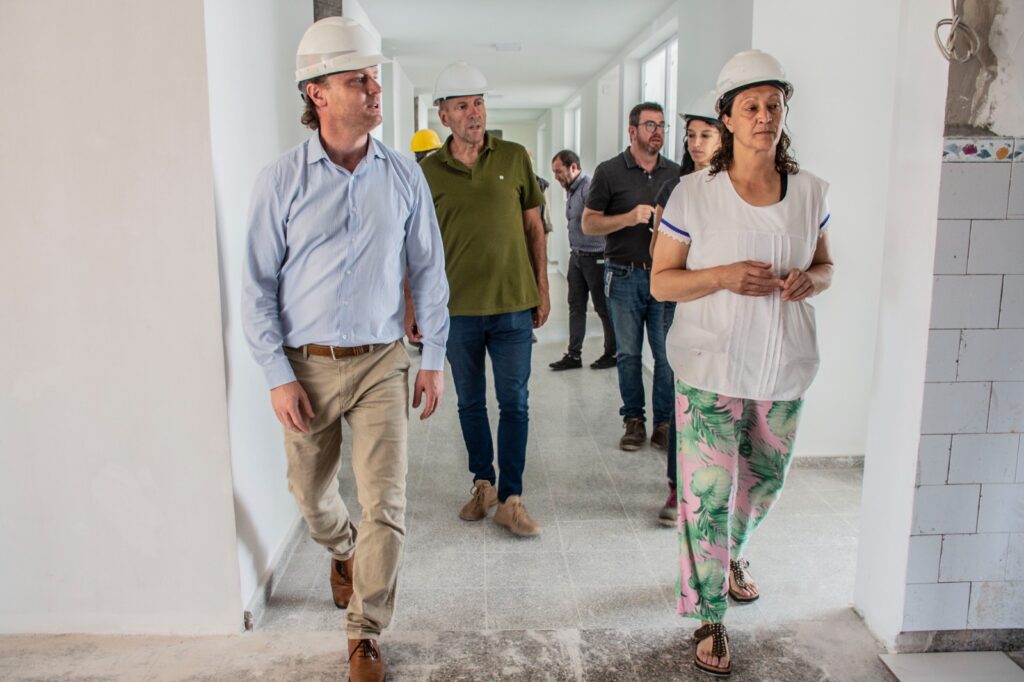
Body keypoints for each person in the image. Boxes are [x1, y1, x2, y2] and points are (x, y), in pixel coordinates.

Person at [241, 18, 450, 682]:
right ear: (318, 93)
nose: (374, 88)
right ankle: (342, 547)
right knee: (309, 496)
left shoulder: (404, 175)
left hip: (383, 360)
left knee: (386, 502)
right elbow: (257, 285)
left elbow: (429, 271)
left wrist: (434, 358)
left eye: (375, 76)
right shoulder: (281, 180)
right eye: (358, 79)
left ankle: (365, 631)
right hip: (306, 365)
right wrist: (277, 373)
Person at [651, 50, 834, 677]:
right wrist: (723, 275)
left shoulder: (810, 192)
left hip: (783, 364)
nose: (764, 116)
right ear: (726, 118)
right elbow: (662, 281)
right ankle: (709, 614)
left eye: (773, 105)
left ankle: (732, 554)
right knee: (707, 495)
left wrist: (812, 279)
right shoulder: (693, 194)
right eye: (750, 106)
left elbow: (827, 265)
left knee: (764, 481)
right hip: (710, 366)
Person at [419, 61, 550, 537]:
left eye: (478, 103)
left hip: (513, 305)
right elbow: (416, 245)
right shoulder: (427, 172)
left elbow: (535, 227)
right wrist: (414, 305)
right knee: (470, 403)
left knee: (515, 402)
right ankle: (484, 485)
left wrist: (542, 287)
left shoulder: (514, 157)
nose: (473, 113)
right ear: (444, 116)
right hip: (456, 312)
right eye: (462, 106)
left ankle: (511, 499)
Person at [582, 102, 680, 457]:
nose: (657, 132)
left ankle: (664, 424)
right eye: (650, 125)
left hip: (665, 277)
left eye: (662, 125)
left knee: (667, 356)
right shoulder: (609, 172)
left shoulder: (677, 174)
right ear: (632, 130)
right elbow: (588, 224)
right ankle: (634, 421)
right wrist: (628, 218)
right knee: (628, 354)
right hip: (623, 274)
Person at [649, 91, 724, 528]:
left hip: (727, 306)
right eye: (691, 135)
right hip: (681, 299)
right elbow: (659, 251)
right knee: (684, 390)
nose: (696, 143)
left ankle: (715, 485)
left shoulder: (735, 188)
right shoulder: (675, 187)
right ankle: (677, 487)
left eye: (705, 135)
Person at [548, 149, 617, 372]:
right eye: (554, 173)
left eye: (559, 172)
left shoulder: (589, 187)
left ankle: (612, 353)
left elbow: (602, 220)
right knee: (575, 306)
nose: (556, 177)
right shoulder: (571, 190)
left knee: (602, 307)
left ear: (573, 167)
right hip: (577, 257)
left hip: (596, 258)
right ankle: (573, 355)